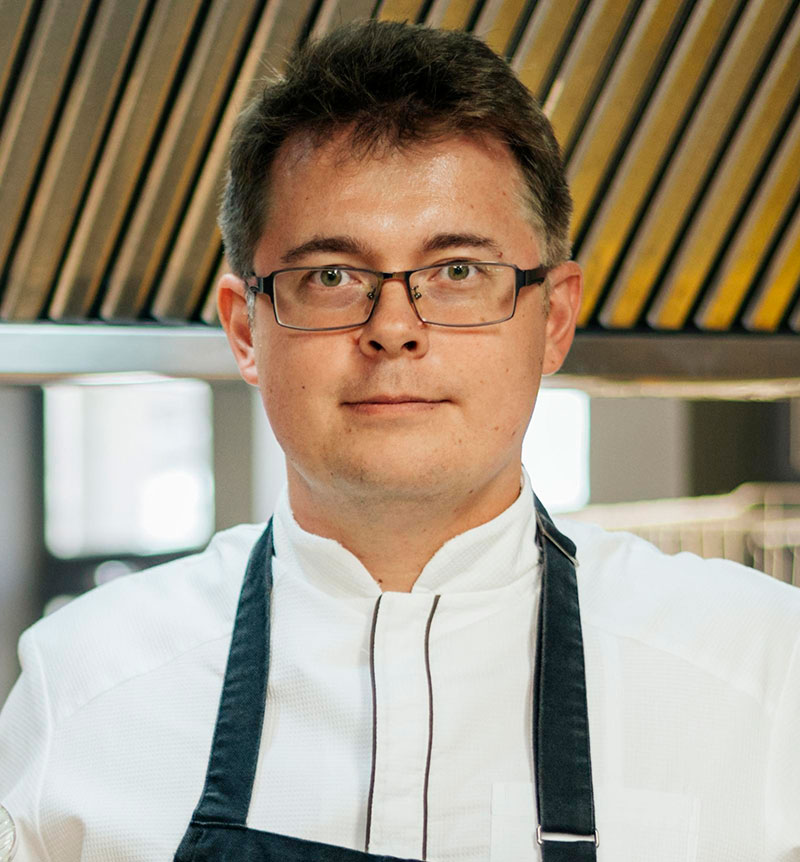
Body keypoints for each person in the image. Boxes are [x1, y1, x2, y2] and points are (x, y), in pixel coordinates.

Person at [1, 18, 798, 862]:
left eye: (457, 271)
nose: (393, 328)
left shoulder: (763, 674)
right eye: (331, 276)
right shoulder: (85, 690)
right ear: (244, 330)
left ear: (555, 319)